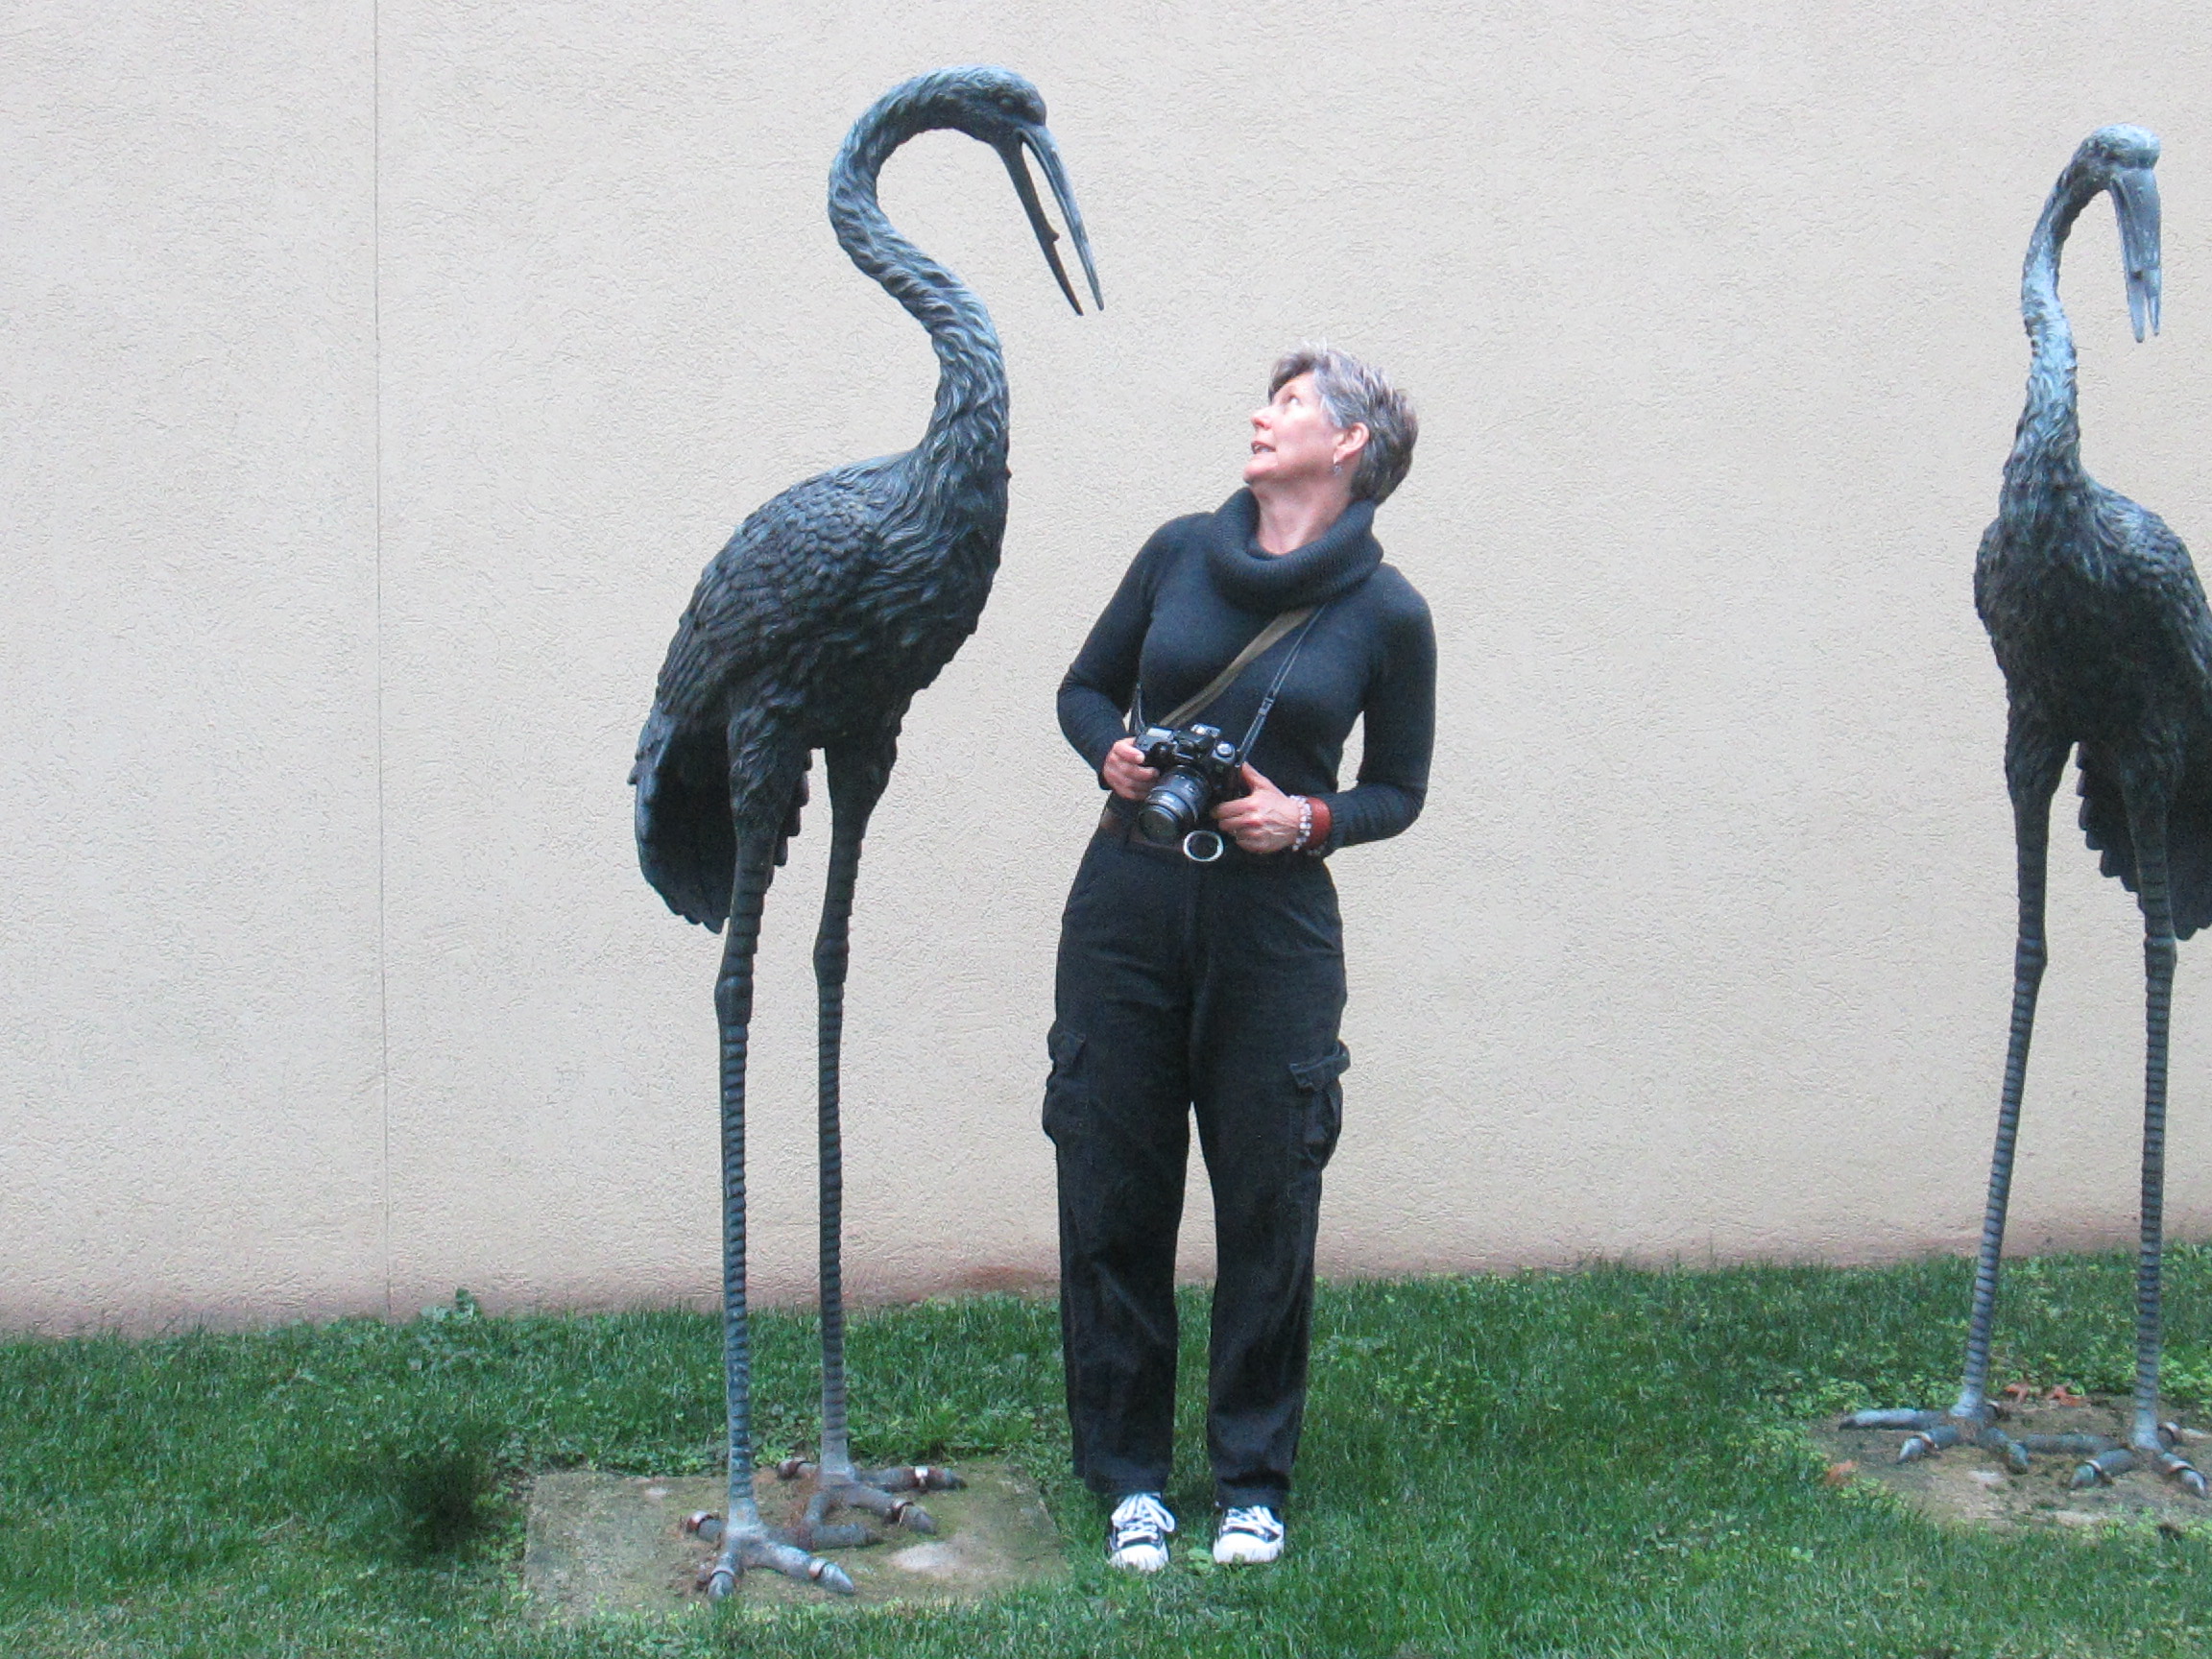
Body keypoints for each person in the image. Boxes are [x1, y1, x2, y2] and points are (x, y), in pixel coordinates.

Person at [1046, 344, 1435, 1571]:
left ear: (1350, 444)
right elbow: (1082, 690)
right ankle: (1129, 1480)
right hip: (1127, 906)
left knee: (1270, 1200)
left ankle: (1252, 1481)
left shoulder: (1389, 613)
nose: (1263, 417)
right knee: (1113, 1185)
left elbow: (1399, 789)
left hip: (1275, 932)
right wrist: (1112, 754)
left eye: (1291, 404)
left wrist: (1308, 818)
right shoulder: (1176, 554)